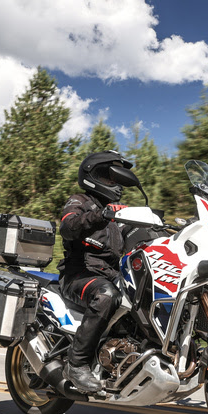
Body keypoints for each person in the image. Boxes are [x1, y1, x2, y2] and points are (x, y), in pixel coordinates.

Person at [58, 150, 134, 393]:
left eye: (117, 179)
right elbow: (68, 226)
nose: (115, 184)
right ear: (93, 176)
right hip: (79, 275)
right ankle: (76, 364)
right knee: (106, 295)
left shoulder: (119, 215)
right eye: (109, 177)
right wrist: (100, 215)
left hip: (112, 275)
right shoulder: (80, 201)